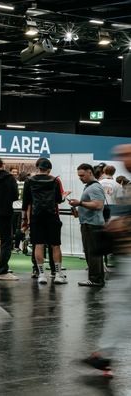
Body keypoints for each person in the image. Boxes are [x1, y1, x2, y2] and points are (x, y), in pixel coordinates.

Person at [82, 144, 131, 375]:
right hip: (125, 255)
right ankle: (104, 354)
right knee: (118, 304)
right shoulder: (126, 186)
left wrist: (121, 225)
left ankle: (104, 354)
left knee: (120, 305)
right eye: (122, 156)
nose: (124, 159)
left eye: (127, 155)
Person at [22, 158, 68, 284]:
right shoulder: (55, 180)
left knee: (38, 245)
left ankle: (41, 274)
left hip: (36, 216)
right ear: (49, 170)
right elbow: (58, 199)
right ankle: (58, 274)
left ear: (37, 168)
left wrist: (24, 219)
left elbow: (26, 202)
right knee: (55, 245)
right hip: (52, 215)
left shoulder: (29, 181)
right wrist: (64, 196)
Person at [68, 163, 106, 287]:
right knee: (92, 253)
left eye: (82, 175)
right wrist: (78, 208)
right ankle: (97, 278)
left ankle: (95, 279)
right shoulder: (89, 186)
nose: (80, 178)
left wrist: (80, 203)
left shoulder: (94, 187)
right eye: (79, 176)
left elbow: (98, 205)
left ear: (90, 172)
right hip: (89, 223)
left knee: (92, 253)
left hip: (92, 225)